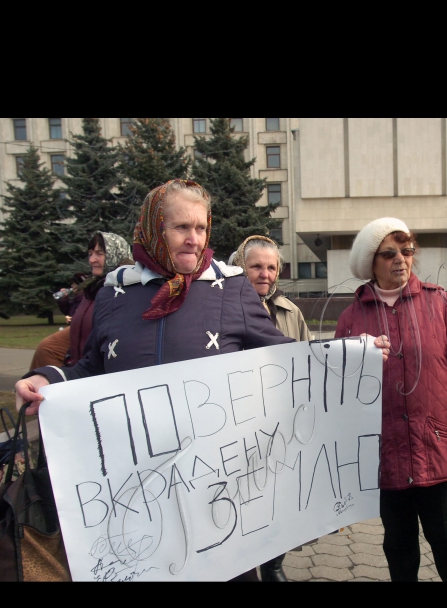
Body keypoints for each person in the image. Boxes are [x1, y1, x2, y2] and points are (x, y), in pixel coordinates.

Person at [16, 180, 294, 583]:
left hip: (214, 491)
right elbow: (94, 364)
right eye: (181, 227)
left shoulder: (231, 288)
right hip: (131, 495)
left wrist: (354, 355)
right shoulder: (115, 292)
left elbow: (283, 356)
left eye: (201, 228)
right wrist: (46, 379)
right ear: (152, 227)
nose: (194, 239)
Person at [335, 217, 447, 581]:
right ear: (370, 262)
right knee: (399, 550)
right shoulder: (350, 317)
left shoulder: (442, 304)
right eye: (389, 253)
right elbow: (340, 391)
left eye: (407, 251)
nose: (401, 260)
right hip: (385, 457)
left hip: (440, 452)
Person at [229, 235, 310, 582]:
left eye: (271, 267)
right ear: (240, 268)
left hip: (281, 423)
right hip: (239, 425)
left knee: (277, 496)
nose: (265, 274)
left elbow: (308, 361)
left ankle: (274, 566)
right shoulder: (224, 309)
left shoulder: (291, 311)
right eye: (256, 266)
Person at [28, 235, 130, 372]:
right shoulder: (93, 288)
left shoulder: (125, 290)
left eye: (100, 254)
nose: (92, 259)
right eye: (90, 254)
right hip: (79, 367)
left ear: (117, 254)